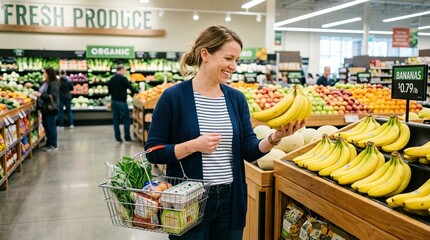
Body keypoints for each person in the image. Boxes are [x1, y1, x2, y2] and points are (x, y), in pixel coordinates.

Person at [145, 25, 305, 240]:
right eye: (228, 58)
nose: (234, 66)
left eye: (236, 60)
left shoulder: (236, 99)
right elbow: (154, 151)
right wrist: (193, 145)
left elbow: (248, 149)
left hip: (230, 199)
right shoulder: (174, 97)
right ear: (205, 55)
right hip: (189, 200)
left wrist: (275, 138)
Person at [108, 65, 138, 143]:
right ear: (121, 70)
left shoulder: (112, 79)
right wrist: (137, 92)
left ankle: (118, 139)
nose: (125, 72)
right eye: (124, 70)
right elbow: (130, 88)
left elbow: (109, 91)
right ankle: (127, 138)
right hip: (122, 102)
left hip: (114, 102)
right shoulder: (123, 78)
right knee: (126, 120)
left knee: (116, 121)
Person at [34, 67, 60, 152]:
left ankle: (53, 144)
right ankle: (48, 143)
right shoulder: (46, 83)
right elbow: (40, 89)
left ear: (49, 74)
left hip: (50, 109)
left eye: (44, 72)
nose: (43, 74)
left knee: (51, 126)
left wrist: (40, 95)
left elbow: (53, 96)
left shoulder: (54, 84)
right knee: (46, 126)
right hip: (45, 108)